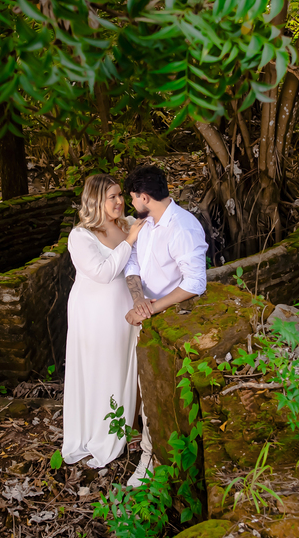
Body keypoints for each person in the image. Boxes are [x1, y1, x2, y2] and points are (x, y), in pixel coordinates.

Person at [122, 164, 208, 486]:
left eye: (133, 198)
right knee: (144, 388)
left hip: (171, 322)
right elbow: (132, 261)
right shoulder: (145, 222)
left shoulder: (182, 228)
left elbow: (196, 283)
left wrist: (151, 308)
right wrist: (138, 300)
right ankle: (146, 450)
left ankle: (151, 459)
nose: (132, 204)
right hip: (145, 313)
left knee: (160, 393)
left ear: (145, 196)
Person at [61, 175, 146, 469]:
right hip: (95, 314)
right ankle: (102, 430)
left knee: (129, 366)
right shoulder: (80, 236)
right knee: (103, 368)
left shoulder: (125, 224)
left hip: (126, 309)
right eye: (113, 197)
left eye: (121, 195)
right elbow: (103, 272)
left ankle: (131, 427)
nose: (120, 201)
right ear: (96, 200)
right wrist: (130, 241)